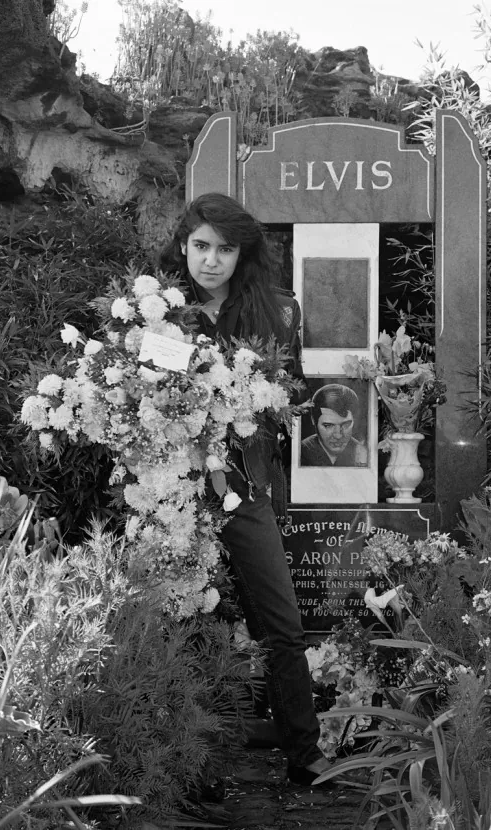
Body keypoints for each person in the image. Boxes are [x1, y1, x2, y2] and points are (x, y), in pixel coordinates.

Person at [160, 192, 333, 787]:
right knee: (183, 624)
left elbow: (290, 399)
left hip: (245, 485)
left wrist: (252, 400)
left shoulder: (277, 313)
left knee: (281, 622)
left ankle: (305, 755)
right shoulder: (156, 313)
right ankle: (192, 766)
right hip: (173, 492)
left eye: (225, 249)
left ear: (242, 254)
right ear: (184, 244)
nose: (211, 260)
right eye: (201, 245)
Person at [300, 383, 368, 468]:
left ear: (354, 421)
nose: (338, 435)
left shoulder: (364, 453)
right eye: (328, 425)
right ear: (313, 420)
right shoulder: (300, 452)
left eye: (346, 425)